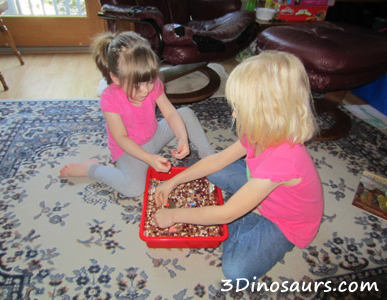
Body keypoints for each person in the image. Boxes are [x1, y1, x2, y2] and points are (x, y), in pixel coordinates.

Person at [154, 51, 324, 282]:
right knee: (208, 167)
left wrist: (174, 216)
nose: (234, 113)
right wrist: (173, 181)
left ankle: (247, 211)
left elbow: (227, 213)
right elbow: (216, 160)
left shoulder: (283, 159)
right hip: (264, 189)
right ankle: (245, 205)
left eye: (240, 108)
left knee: (235, 270)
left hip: (284, 223)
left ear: (268, 114)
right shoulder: (259, 130)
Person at [60, 31, 214, 197]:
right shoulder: (109, 99)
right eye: (137, 85)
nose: (146, 90)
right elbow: (121, 138)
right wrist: (149, 158)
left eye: (149, 82)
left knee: (185, 113)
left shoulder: (153, 83)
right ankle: (92, 169)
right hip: (129, 149)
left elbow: (170, 113)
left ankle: (209, 157)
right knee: (133, 189)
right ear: (116, 78)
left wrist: (182, 137)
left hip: (154, 135)